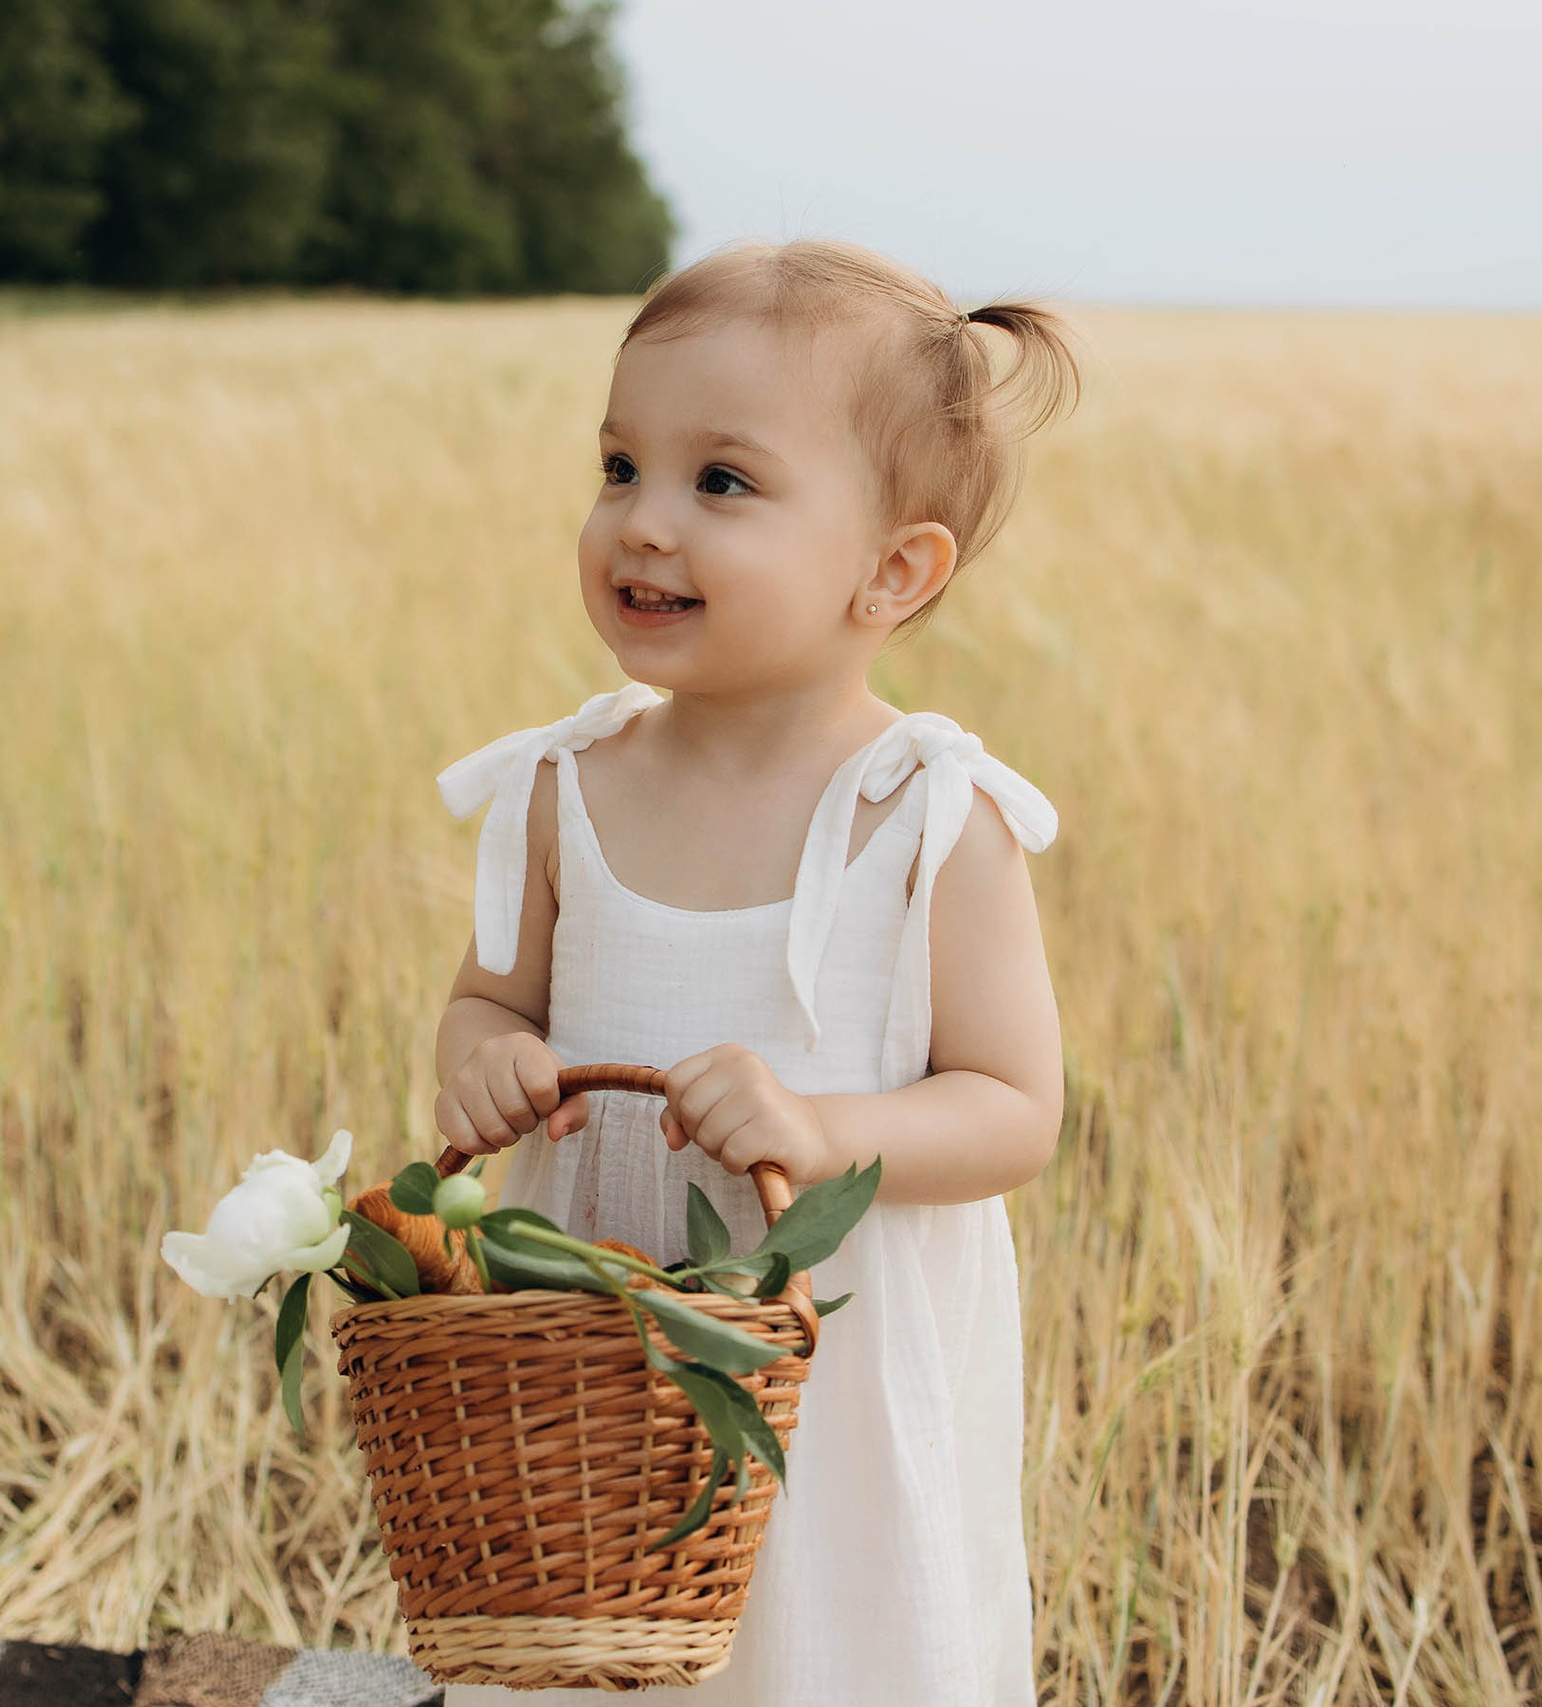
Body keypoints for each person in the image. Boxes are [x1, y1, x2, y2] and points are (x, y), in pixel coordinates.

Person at [429, 238, 1079, 1706]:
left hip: (826, 1384)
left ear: (893, 572)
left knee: (823, 1657)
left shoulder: (926, 821)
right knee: (590, 1659)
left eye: (720, 483)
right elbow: (490, 1003)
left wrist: (825, 1127)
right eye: (617, 468)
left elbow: (1013, 1111)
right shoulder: (562, 788)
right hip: (592, 1371)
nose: (643, 525)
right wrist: (482, 1060)